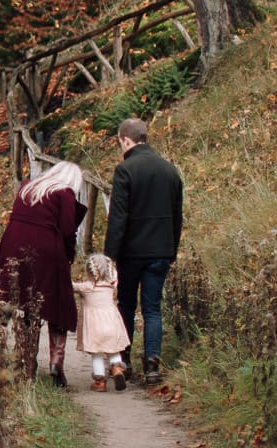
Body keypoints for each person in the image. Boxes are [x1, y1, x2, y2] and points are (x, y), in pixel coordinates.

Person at [0, 159, 87, 386]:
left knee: (15, 295)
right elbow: (68, 229)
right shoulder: (64, 193)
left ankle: (23, 360)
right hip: (47, 249)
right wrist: (69, 255)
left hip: (13, 243)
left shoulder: (28, 187)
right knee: (56, 300)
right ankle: (55, 361)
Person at [103, 117, 184, 386]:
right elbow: (176, 216)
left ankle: (123, 361)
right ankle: (152, 364)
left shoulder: (125, 170)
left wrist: (109, 256)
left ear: (125, 140)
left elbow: (118, 217)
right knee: (152, 308)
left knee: (126, 305)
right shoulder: (170, 171)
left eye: (119, 143)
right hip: (160, 250)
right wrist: (171, 250)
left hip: (131, 252)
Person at [73, 253, 132, 391]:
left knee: (97, 353)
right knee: (113, 350)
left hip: (95, 328)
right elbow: (115, 276)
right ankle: (117, 368)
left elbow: (71, 286)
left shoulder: (87, 287)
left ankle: (100, 382)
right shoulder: (110, 286)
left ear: (89, 271)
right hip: (112, 324)